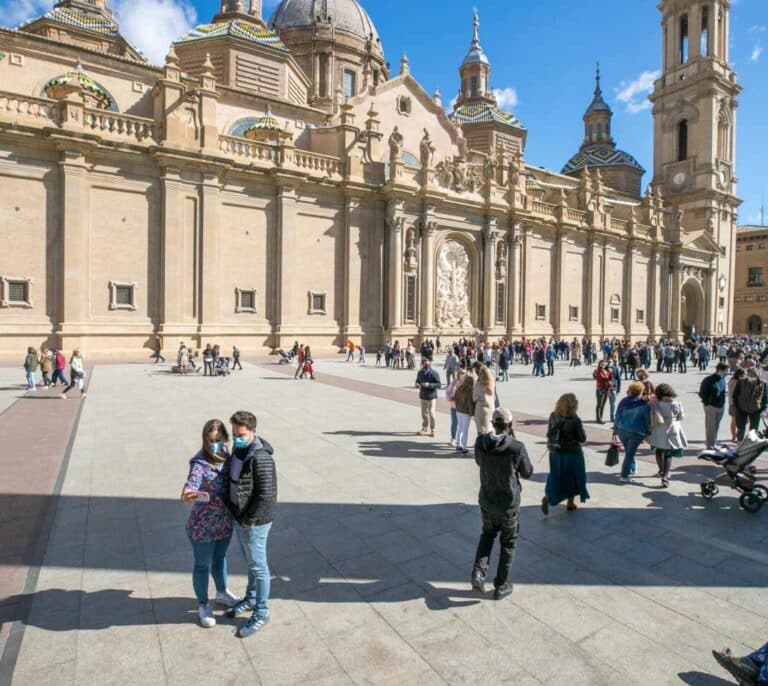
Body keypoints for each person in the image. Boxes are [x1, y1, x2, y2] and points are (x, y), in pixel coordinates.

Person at [471, 408, 533, 601]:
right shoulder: (516, 447)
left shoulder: (481, 442)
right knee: (508, 543)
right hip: (508, 505)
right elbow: (528, 472)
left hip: (487, 500)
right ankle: (501, 585)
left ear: (493, 422)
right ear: (510, 424)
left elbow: (479, 462)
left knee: (488, 535)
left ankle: (478, 573)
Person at [180, 419, 238, 628]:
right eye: (210, 440)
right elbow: (190, 485)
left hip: (224, 521)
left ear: (225, 439)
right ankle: (203, 604)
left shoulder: (226, 453)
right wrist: (188, 494)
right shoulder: (199, 462)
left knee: (220, 558)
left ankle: (222, 592)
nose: (214, 444)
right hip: (202, 526)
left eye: (218, 440)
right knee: (202, 565)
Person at [225, 411, 277, 639]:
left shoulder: (261, 456)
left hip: (254, 522)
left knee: (259, 566)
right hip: (240, 516)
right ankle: (251, 597)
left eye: (241, 434)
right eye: (234, 433)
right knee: (250, 563)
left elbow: (267, 494)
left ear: (253, 432)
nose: (237, 437)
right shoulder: (239, 449)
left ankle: (262, 612)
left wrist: (249, 519)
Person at [541, 393, 589, 514]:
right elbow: (582, 438)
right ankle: (570, 502)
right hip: (573, 452)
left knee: (556, 475)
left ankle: (548, 497)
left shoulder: (553, 415)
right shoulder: (575, 419)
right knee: (573, 476)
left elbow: (549, 433)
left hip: (556, 452)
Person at [649, 383, 687, 488]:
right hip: (672, 430)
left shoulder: (655, 404)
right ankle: (665, 476)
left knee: (658, 450)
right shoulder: (676, 404)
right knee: (668, 454)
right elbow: (681, 417)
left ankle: (661, 470)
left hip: (659, 430)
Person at [614, 382, 652, 483]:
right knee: (630, 453)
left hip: (622, 430)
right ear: (641, 391)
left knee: (629, 451)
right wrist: (648, 430)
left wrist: (615, 430)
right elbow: (647, 420)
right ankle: (624, 475)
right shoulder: (644, 405)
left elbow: (617, 416)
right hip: (636, 432)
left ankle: (632, 468)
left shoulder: (623, 401)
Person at [699, 362, 729, 449]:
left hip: (721, 405)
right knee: (710, 426)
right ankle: (710, 445)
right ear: (720, 370)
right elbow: (702, 393)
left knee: (716, 425)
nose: (727, 372)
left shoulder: (722, 379)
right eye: (726, 370)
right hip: (711, 406)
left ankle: (714, 442)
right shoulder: (708, 380)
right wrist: (707, 402)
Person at [733, 367, 768, 441]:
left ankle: (751, 444)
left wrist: (763, 408)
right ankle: (739, 443)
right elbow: (735, 395)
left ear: (757, 376)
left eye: (753, 376)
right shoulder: (741, 381)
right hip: (742, 408)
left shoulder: (763, 383)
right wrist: (737, 407)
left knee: (754, 430)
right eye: (749, 376)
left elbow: (765, 396)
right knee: (741, 428)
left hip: (756, 409)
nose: (751, 378)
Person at [415, 357, 441, 437]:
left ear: (429, 362)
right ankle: (425, 428)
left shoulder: (434, 373)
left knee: (432, 413)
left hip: (431, 396)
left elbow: (439, 384)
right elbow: (417, 381)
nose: (425, 363)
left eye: (426, 362)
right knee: (424, 413)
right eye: (423, 362)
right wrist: (417, 384)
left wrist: (429, 385)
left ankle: (433, 430)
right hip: (423, 395)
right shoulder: (420, 372)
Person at [454, 372, 475, 455]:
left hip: (458, 410)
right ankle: (464, 447)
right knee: (465, 429)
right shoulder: (470, 390)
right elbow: (470, 402)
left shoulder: (460, 387)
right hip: (466, 412)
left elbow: (455, 398)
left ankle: (458, 444)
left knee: (460, 428)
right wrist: (472, 413)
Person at [472, 364, 495, 435]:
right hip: (491, 408)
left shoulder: (478, 384)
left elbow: (474, 398)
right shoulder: (492, 384)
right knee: (489, 429)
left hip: (481, 409)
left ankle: (481, 444)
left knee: (481, 431)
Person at [445, 368, 465, 447]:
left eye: (464, 373)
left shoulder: (467, 383)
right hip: (454, 406)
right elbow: (447, 392)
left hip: (463, 407)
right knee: (454, 423)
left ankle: (460, 440)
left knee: (462, 424)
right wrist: (449, 398)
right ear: (458, 374)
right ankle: (453, 438)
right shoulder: (453, 382)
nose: (463, 374)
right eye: (462, 373)